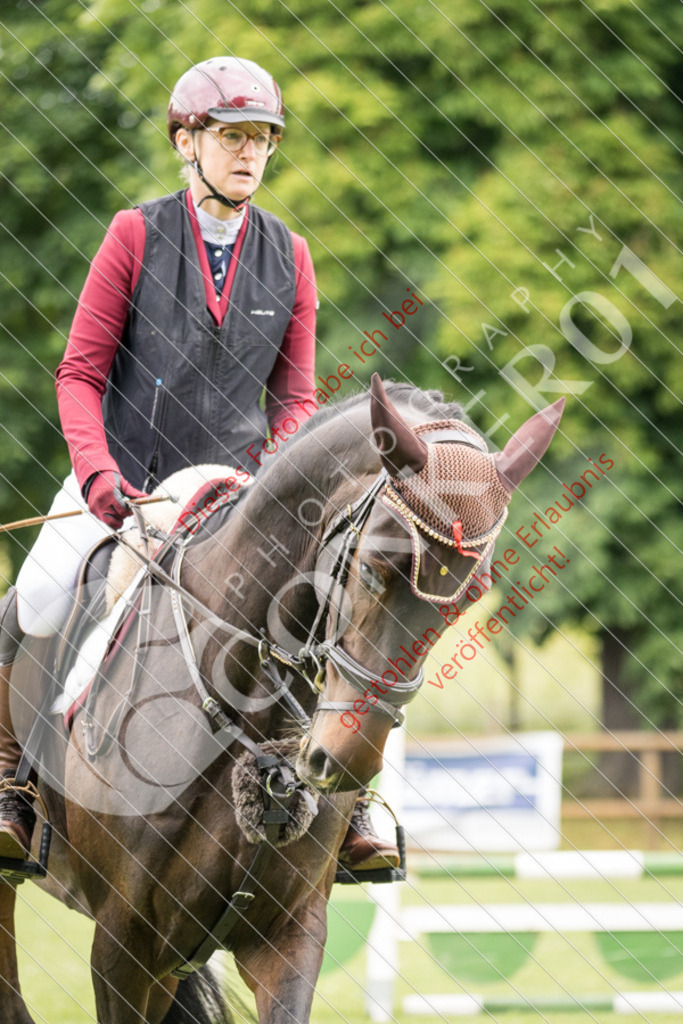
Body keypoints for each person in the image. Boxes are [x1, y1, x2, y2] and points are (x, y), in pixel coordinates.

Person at [0, 57, 398, 871]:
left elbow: (295, 396)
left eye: (263, 140)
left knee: (355, 611)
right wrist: (99, 474)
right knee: (34, 598)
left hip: (236, 496)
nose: (250, 154)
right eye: (233, 136)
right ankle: (13, 787)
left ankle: (360, 809)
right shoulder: (135, 233)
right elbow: (78, 373)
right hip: (127, 482)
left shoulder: (290, 253)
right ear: (187, 140)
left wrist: (285, 477)